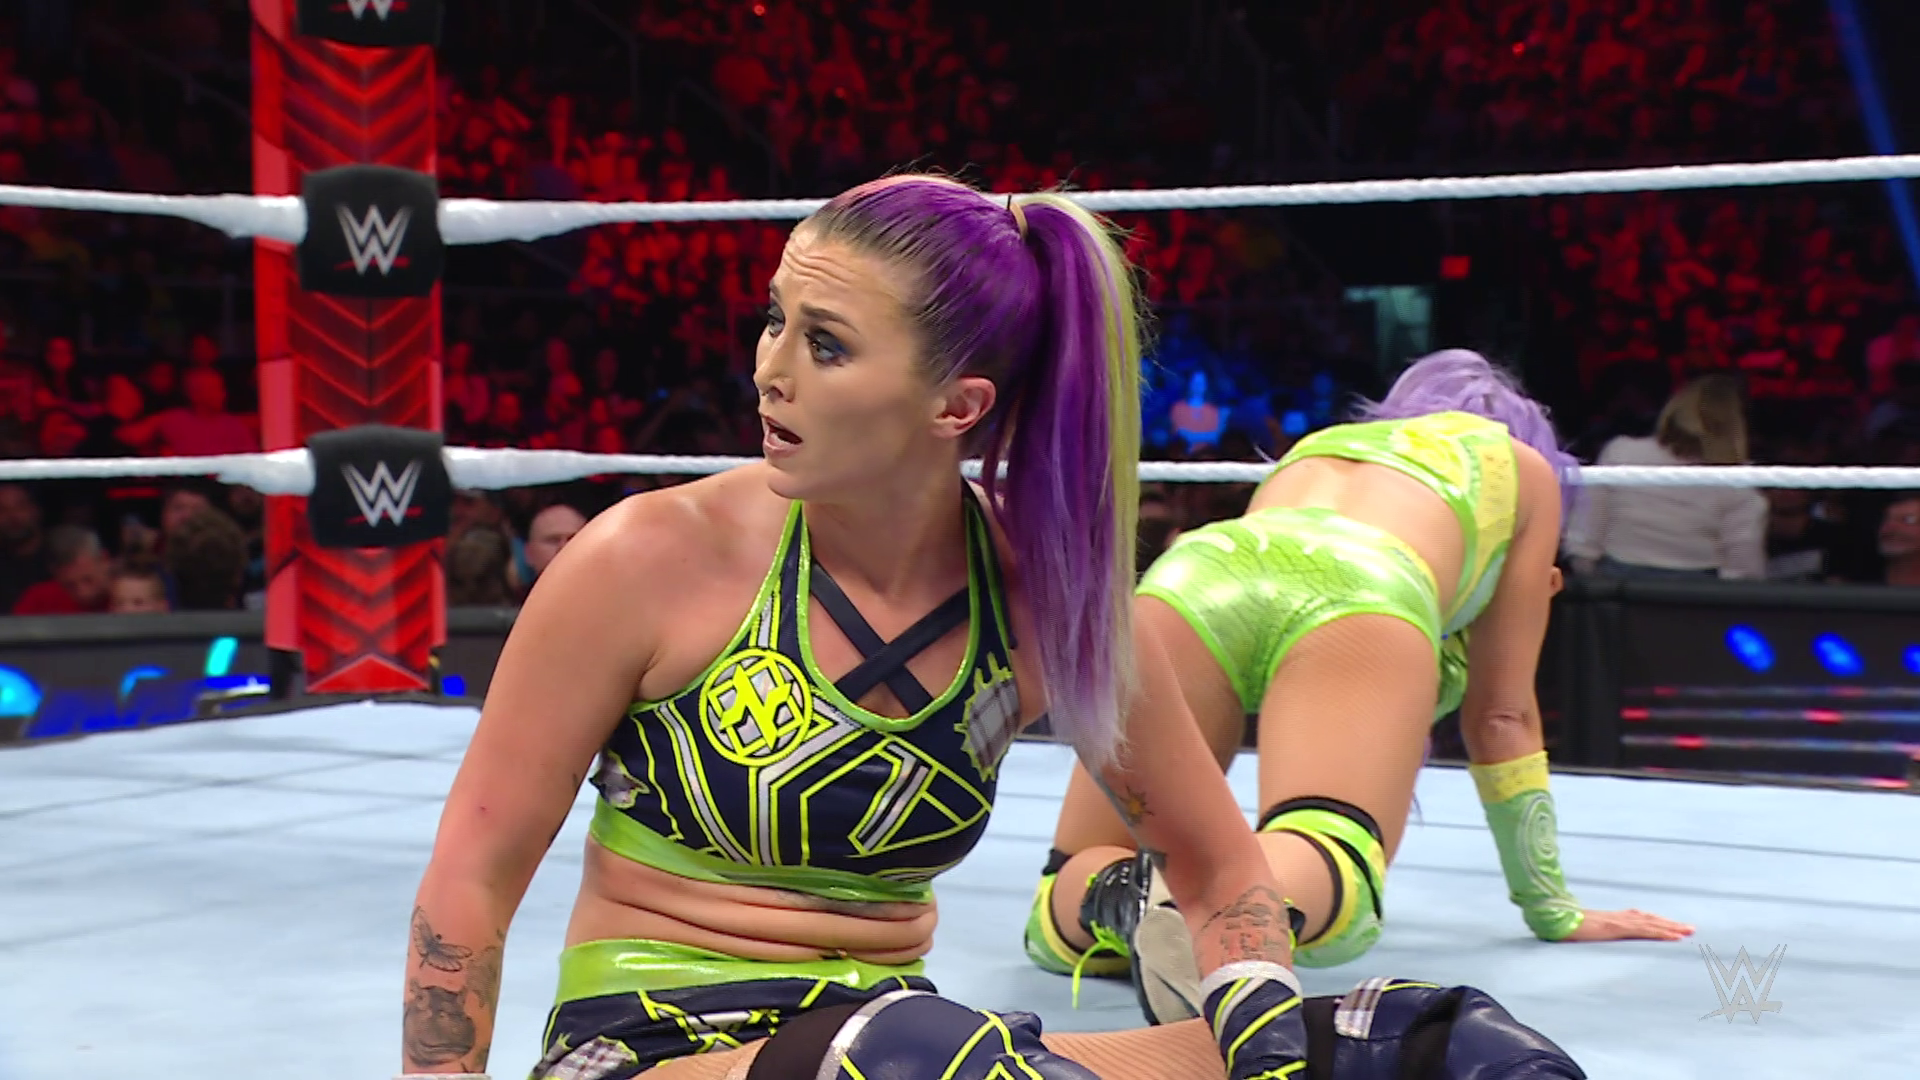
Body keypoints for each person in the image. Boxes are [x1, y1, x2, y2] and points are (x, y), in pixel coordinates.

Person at [401, 182, 1583, 1080]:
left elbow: (1223, 869)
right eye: (774, 322)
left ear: (956, 405)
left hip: (913, 1046)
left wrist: (1268, 1058)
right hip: (650, 1051)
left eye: (824, 343)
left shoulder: (1039, 596)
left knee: (1433, 1042)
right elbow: (470, 877)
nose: (769, 371)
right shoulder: (646, 559)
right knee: (914, 1055)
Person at [1023, 350, 1695, 1024]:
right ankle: (1213, 905)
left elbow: (1267, 591)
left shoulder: (1322, 446)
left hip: (1194, 572)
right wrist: (1552, 907)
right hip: (1361, 586)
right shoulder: (1521, 469)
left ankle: (1125, 895)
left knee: (1061, 900)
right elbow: (1502, 716)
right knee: (1335, 862)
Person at [1563, 374, 1767, 580]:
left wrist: (1594, 585)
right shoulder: (1738, 481)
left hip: (1623, 585)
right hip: (1682, 589)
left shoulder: (1621, 451)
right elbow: (1743, 571)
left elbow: (1583, 539)